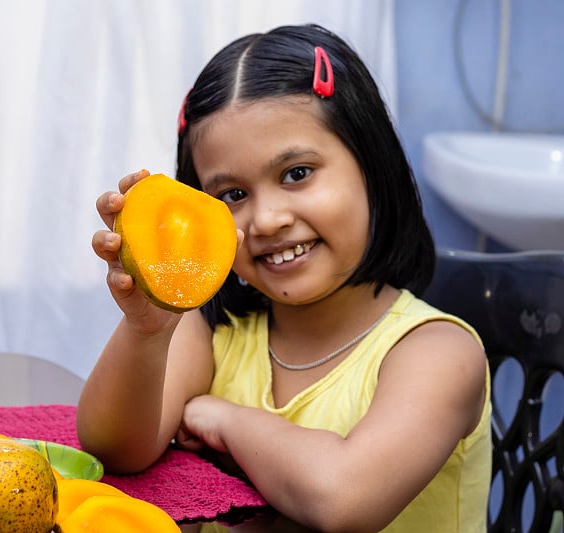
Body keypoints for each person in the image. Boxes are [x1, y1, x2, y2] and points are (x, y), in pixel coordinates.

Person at [78, 24, 491, 533]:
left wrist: (225, 419)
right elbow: (114, 449)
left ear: (371, 166)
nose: (268, 219)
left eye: (296, 173)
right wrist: (146, 332)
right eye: (231, 195)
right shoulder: (214, 332)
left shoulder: (439, 354)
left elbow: (344, 499)